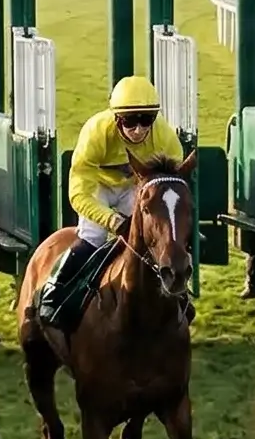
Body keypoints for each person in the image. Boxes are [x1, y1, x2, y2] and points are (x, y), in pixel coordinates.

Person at [36, 75, 185, 329]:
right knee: (93, 236)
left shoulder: (166, 138)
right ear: (116, 118)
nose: (138, 129)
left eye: (146, 120)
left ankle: (179, 295)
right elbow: (78, 193)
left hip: (134, 187)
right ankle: (54, 292)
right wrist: (112, 220)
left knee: (155, 237)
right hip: (97, 186)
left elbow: (172, 186)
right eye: (129, 121)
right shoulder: (96, 133)